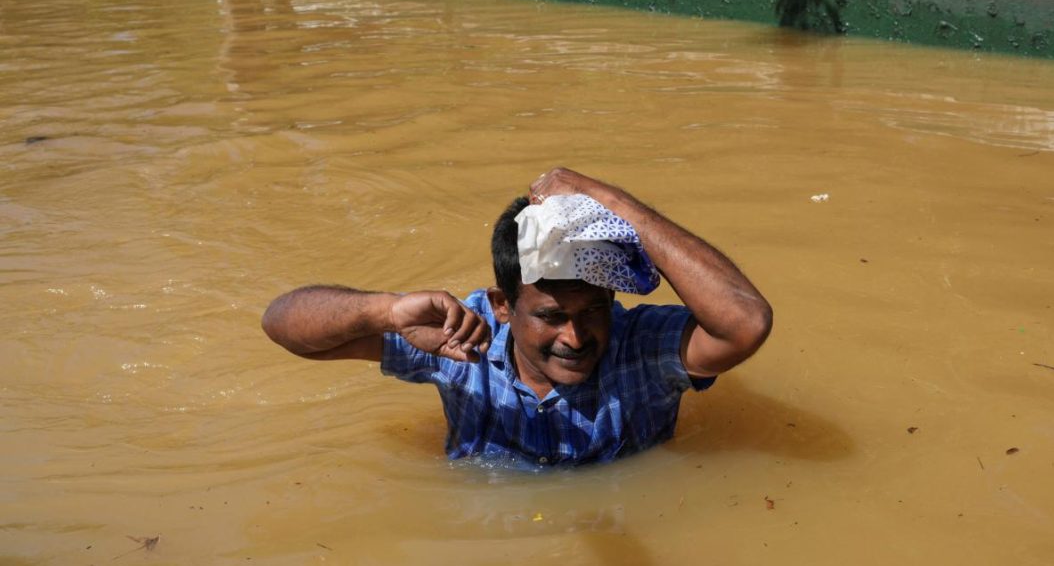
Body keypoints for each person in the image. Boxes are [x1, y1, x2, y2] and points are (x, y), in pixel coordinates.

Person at [262, 168, 772, 467]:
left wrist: (609, 201)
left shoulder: (643, 347)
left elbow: (746, 322)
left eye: (594, 309)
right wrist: (386, 311)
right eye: (550, 316)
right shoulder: (460, 337)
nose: (575, 336)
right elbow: (283, 326)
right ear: (502, 306)